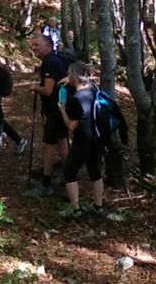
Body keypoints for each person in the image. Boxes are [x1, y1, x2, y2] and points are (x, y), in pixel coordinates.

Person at [59, 62, 104, 217]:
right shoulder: (94, 90)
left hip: (82, 141)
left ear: (73, 76)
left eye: (69, 73)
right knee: (95, 172)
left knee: (69, 173)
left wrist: (62, 110)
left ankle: (76, 209)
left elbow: (71, 126)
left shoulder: (75, 99)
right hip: (97, 139)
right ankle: (98, 207)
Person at [29, 34, 69, 196]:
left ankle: (47, 182)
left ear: (48, 46)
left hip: (55, 110)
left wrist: (35, 87)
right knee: (62, 142)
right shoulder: (53, 60)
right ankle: (68, 176)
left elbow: (48, 90)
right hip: (61, 108)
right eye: (33, 45)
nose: (34, 48)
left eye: (37, 45)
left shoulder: (50, 62)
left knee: (49, 145)